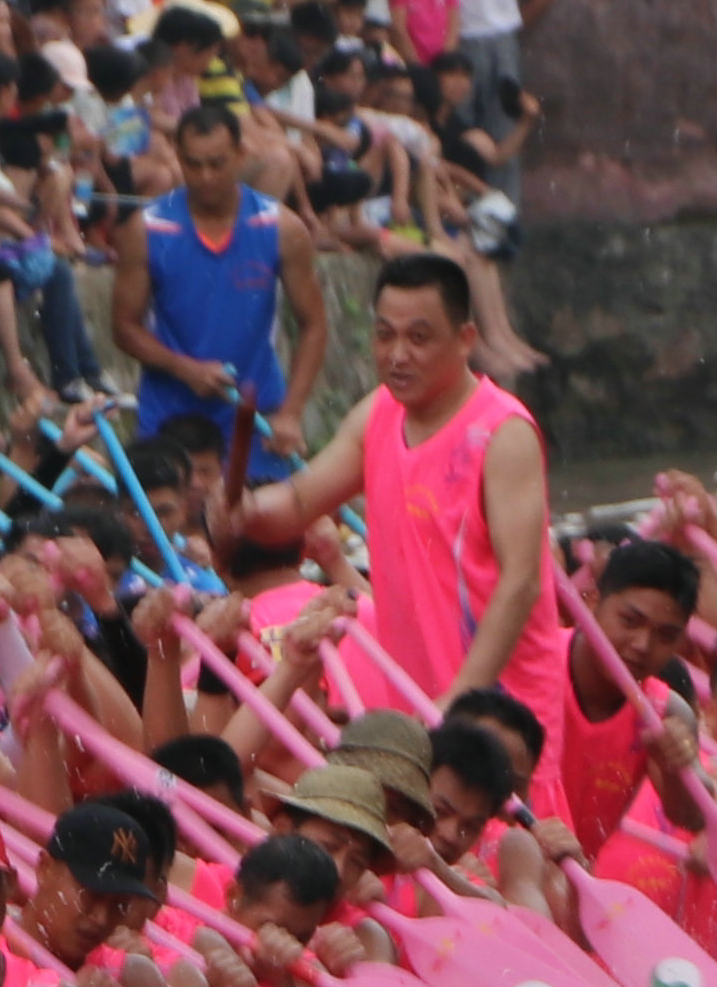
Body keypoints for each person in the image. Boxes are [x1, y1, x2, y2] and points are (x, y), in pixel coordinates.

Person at [237, 253, 567, 731]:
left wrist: (461, 697)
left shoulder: (504, 434)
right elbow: (296, 504)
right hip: (412, 704)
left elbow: (522, 582)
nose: (397, 355)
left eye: (418, 338)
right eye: (385, 335)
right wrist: (243, 509)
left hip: (499, 712)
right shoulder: (378, 414)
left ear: (465, 340)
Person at [105, 99, 318, 472]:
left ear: (240, 155)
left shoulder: (281, 228)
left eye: (217, 164)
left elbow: (314, 324)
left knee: (260, 527)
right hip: (171, 416)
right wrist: (184, 368)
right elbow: (123, 327)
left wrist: (291, 413)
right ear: (177, 157)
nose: (205, 178)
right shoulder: (146, 229)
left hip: (253, 414)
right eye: (193, 164)